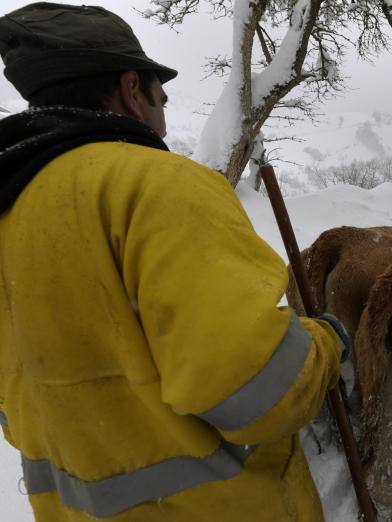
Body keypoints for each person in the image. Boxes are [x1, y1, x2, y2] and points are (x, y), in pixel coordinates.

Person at [0, 3, 346, 520]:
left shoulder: (10, 211)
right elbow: (260, 392)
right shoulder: (158, 186)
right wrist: (326, 342)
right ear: (131, 89)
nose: (165, 107)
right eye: (162, 93)